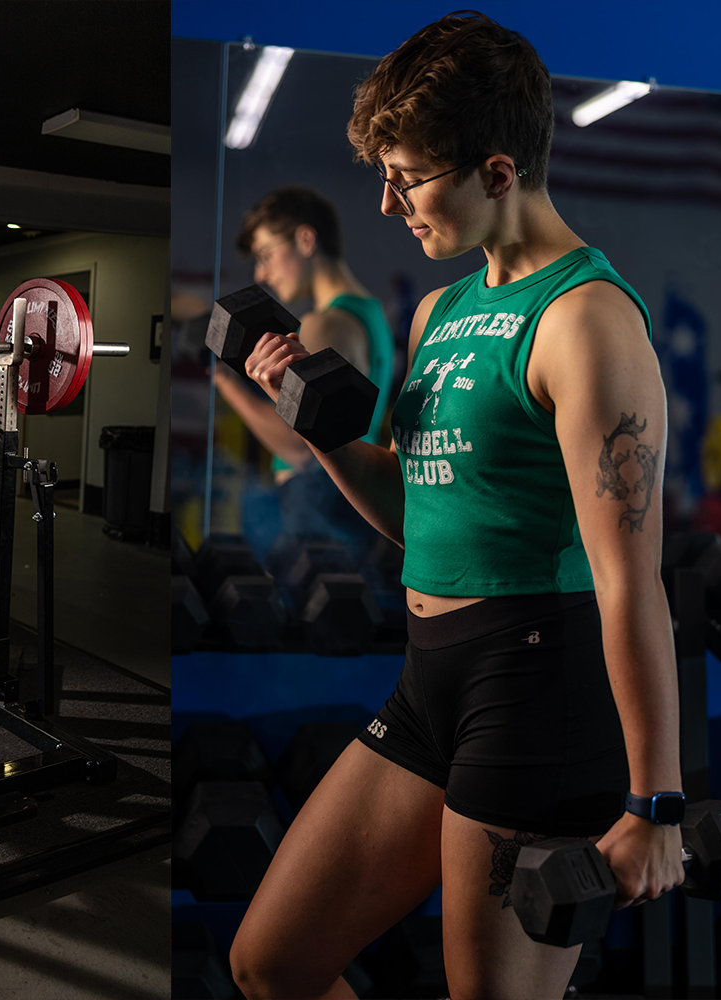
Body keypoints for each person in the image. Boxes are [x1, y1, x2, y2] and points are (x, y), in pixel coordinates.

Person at [228, 13, 679, 996]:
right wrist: (316, 429)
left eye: (409, 176)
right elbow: (414, 510)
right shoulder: (440, 310)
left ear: (498, 170)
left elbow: (627, 580)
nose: (387, 204)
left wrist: (655, 800)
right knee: (271, 962)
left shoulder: (584, 323)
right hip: (428, 682)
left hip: (536, 695)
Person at [214, 186, 397, 567]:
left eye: (265, 255)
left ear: (306, 239)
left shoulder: (323, 325)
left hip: (317, 508)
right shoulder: (369, 315)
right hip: (335, 509)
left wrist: (225, 383)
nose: (261, 273)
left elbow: (299, 448)